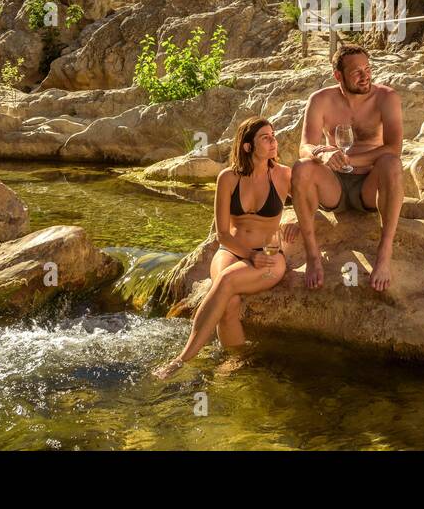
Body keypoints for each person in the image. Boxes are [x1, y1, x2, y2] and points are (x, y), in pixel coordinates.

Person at [153, 117, 293, 379]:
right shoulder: (228, 178)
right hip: (231, 251)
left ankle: (182, 360)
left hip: (270, 256)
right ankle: (235, 359)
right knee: (229, 302)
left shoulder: (284, 174)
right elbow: (222, 234)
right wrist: (248, 254)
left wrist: (304, 223)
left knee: (227, 281)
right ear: (248, 146)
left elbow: (314, 200)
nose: (274, 141)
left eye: (273, 135)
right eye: (266, 137)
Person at [290, 44, 404, 291]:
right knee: (301, 167)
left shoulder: (386, 98)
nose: (366, 77)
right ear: (338, 76)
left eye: (368, 69)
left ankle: (384, 254)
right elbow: (305, 146)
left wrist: (351, 161)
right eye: (357, 72)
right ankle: (312, 256)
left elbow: (394, 148)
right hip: (335, 187)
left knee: (392, 164)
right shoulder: (320, 100)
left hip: (370, 187)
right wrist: (321, 153)